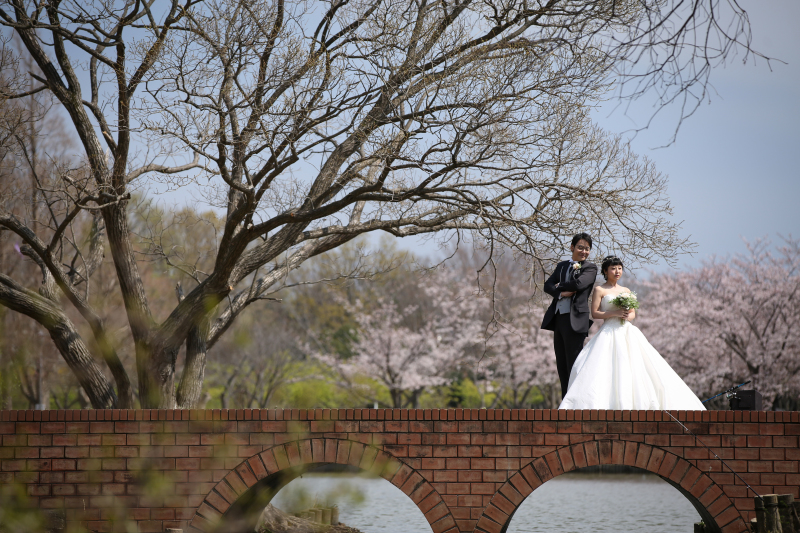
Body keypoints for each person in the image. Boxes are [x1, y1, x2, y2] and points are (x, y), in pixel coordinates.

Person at [559, 256, 706, 410]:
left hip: (627, 331)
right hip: (608, 331)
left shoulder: (626, 290)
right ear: (605, 271)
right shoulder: (600, 289)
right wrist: (614, 313)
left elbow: (633, 313)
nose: (617, 271)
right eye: (613, 268)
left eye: (619, 268)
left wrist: (626, 316)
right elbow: (595, 313)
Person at [541, 233, 598, 399]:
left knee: (574, 363)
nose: (584, 251)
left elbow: (579, 284)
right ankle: (565, 401)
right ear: (572, 247)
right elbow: (547, 285)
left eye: (587, 249)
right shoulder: (562, 265)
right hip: (558, 319)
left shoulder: (590, 268)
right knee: (561, 364)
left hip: (575, 320)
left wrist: (560, 285)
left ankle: (576, 401)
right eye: (580, 247)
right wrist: (560, 293)